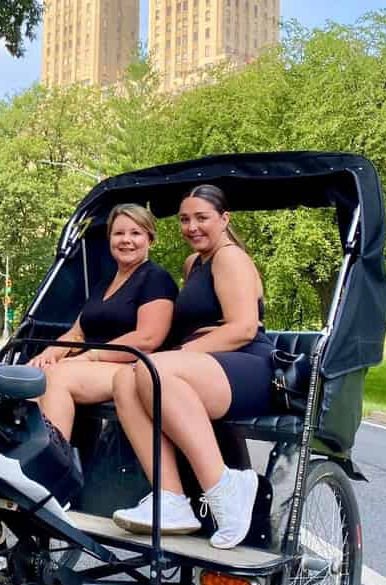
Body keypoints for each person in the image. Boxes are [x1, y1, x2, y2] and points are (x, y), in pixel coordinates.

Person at [110, 185, 273, 550]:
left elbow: (243, 328)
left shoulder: (230, 257)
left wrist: (181, 354)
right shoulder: (193, 264)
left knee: (153, 370)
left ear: (224, 219)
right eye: (185, 219)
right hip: (208, 363)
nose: (192, 227)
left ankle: (226, 487)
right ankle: (170, 499)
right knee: (124, 378)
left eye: (202, 218)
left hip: (248, 363)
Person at [27, 203, 178, 441]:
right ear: (110, 239)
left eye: (135, 233)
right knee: (28, 377)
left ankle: (53, 458)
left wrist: (91, 356)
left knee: (57, 377)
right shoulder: (104, 283)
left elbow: (148, 338)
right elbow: (77, 333)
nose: (126, 240)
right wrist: (49, 354)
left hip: (132, 368)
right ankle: (26, 453)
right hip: (88, 365)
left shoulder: (156, 279)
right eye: (119, 233)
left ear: (150, 239)